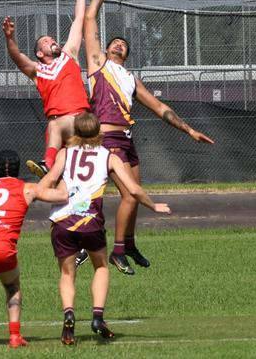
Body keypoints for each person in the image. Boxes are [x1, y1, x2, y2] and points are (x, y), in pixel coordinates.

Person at [78, 0, 214, 275]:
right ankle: (116, 251)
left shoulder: (130, 79)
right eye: (114, 42)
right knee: (129, 194)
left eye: (123, 45)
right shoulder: (98, 64)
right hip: (107, 139)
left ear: (127, 54)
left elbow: (160, 107)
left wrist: (188, 129)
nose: (118, 45)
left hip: (127, 140)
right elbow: (89, 18)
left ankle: (129, 243)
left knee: (136, 193)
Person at [40, 112, 171, 345]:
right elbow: (134, 189)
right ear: (98, 131)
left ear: (75, 132)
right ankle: (98, 317)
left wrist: (30, 195)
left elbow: (47, 183)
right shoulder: (109, 157)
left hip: (63, 222)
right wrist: (153, 205)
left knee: (68, 273)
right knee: (100, 266)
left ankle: (69, 313)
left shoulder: (64, 153)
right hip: (91, 222)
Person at [0, 149, 69, 350]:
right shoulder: (27, 189)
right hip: (3, 249)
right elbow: (62, 195)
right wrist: (59, 175)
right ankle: (15, 336)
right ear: (18, 170)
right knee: (12, 289)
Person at [2, 0, 94, 177]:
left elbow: (79, 21)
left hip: (80, 121)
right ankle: (51, 175)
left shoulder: (69, 56)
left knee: (54, 126)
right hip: (60, 133)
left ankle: (47, 164)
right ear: (40, 53)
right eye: (46, 41)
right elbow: (17, 56)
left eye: (52, 39)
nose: (52, 40)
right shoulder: (38, 71)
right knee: (63, 182)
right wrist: (9, 38)